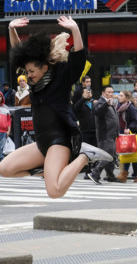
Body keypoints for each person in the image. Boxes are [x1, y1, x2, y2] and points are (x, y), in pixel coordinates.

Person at [0, 16, 112, 198]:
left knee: (55, 191)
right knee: (5, 169)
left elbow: (78, 60)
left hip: (59, 141)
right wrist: (12, 30)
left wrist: (75, 30)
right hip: (42, 143)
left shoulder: (62, 76)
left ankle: (86, 155)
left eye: (31, 72)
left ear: (44, 68)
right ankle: (44, 169)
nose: (28, 76)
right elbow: (19, 54)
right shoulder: (35, 84)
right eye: (27, 72)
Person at [88, 85, 119, 184]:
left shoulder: (110, 103)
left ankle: (110, 175)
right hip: (105, 134)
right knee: (107, 155)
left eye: (112, 92)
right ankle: (95, 173)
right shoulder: (100, 102)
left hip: (112, 133)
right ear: (103, 93)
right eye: (108, 92)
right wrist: (106, 103)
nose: (111, 94)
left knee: (112, 156)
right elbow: (97, 111)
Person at [115, 91, 137, 183]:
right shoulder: (119, 107)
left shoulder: (130, 108)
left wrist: (129, 129)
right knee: (128, 154)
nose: (119, 97)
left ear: (127, 97)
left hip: (132, 134)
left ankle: (128, 175)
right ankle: (128, 175)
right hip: (123, 134)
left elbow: (135, 121)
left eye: (121, 96)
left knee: (132, 154)